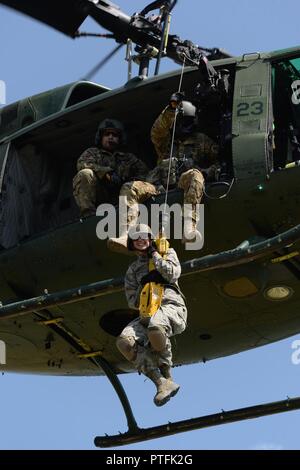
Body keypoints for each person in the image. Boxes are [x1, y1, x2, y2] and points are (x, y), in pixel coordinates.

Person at [108, 94, 219, 252]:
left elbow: (219, 161)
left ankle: (189, 227)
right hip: (157, 186)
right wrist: (172, 108)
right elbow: (157, 131)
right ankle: (126, 234)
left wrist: (208, 172)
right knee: (130, 187)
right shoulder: (166, 141)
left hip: (182, 183)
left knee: (195, 175)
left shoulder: (201, 141)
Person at [116, 224, 187, 407]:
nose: (141, 240)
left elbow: (173, 273)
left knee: (156, 328)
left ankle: (167, 373)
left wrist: (156, 256)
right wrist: (144, 287)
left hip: (170, 305)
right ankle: (160, 383)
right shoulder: (132, 270)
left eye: (144, 236)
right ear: (132, 243)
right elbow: (132, 301)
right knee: (124, 342)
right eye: (136, 238)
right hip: (147, 310)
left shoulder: (166, 252)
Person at [73, 119, 148, 218]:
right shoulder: (93, 153)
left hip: (125, 197)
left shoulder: (128, 158)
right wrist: (106, 173)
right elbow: (82, 163)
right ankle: (88, 215)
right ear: (101, 137)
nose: (111, 137)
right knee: (85, 174)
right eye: (107, 134)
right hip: (101, 196)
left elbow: (145, 173)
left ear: (120, 139)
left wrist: (130, 181)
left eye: (115, 135)